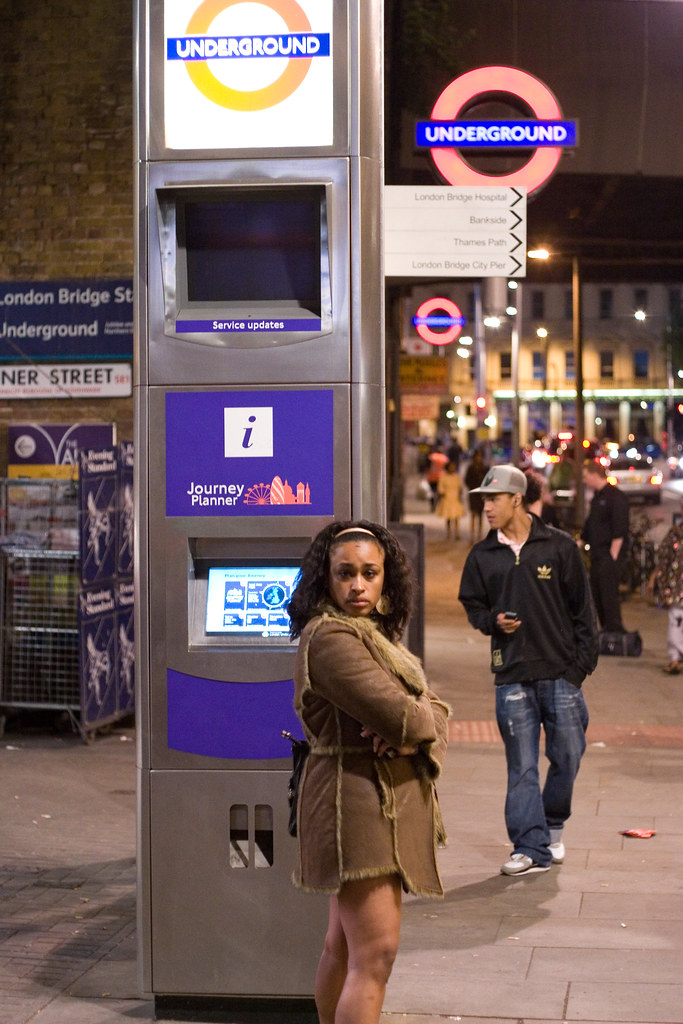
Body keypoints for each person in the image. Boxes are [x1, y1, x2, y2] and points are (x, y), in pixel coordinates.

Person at [287, 521, 449, 1024]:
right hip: (355, 804)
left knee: (343, 947)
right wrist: (414, 724)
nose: (358, 585)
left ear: (385, 580)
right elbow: (410, 717)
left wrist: (416, 725)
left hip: (365, 801)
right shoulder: (332, 639)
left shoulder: (371, 635)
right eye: (345, 573)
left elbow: (429, 712)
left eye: (369, 573)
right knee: (374, 955)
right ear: (326, 580)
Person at [458, 465, 598, 876]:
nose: (486, 507)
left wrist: (577, 671)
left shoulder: (558, 547)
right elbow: (473, 605)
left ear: (516, 499)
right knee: (521, 766)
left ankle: (552, 824)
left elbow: (584, 614)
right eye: (484, 499)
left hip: (561, 675)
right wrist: (492, 622)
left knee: (568, 755)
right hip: (512, 675)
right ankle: (529, 846)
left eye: (493, 499)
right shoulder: (483, 556)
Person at [581, 460, 630, 633]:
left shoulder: (615, 497)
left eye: (586, 477)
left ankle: (615, 632)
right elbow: (590, 526)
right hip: (597, 555)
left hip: (608, 555)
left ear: (595, 475)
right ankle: (606, 631)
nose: (584, 481)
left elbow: (620, 530)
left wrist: (612, 558)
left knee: (609, 595)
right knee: (597, 593)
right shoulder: (597, 497)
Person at [648, 502, 683, 674]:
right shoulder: (675, 534)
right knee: (675, 620)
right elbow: (664, 558)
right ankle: (675, 658)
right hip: (676, 586)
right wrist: (654, 578)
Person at [464, 448, 489, 541]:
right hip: (473, 493)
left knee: (481, 514)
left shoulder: (485, 468)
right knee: (473, 514)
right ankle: (472, 535)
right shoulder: (471, 468)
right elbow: (466, 480)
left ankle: (479, 534)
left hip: (481, 494)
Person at [436, 460, 464, 538]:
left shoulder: (457, 477)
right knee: (448, 517)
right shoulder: (443, 477)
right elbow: (440, 488)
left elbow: (460, 487)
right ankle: (449, 533)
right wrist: (443, 493)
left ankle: (457, 533)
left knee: (456, 517)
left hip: (455, 498)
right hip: (447, 498)